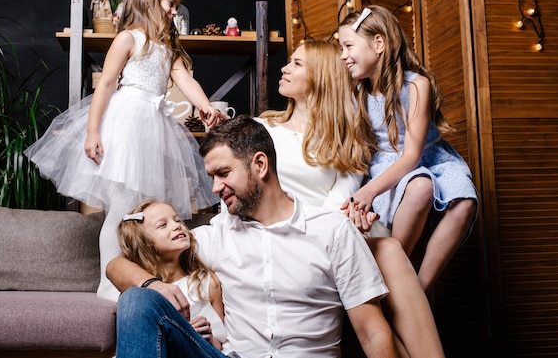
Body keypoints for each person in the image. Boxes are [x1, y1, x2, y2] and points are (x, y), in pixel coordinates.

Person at [109, 116, 400, 358]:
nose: (215, 187)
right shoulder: (217, 236)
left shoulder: (332, 230)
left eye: (223, 173)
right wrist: (152, 285)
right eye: (212, 177)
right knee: (137, 300)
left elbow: (372, 332)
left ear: (260, 165)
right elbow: (117, 266)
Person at [24, 0, 220, 301]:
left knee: (145, 211)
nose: (174, 12)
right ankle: (107, 281)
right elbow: (105, 86)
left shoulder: (166, 47)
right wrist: (92, 131)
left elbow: (185, 79)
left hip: (154, 129)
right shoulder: (129, 38)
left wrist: (205, 105)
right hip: (126, 124)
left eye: (176, 7)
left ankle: (141, 280)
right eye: (170, 4)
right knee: (120, 211)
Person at [258, 39, 444, 357]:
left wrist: (353, 217)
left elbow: (341, 202)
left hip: (336, 231)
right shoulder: (261, 129)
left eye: (297, 64)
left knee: (386, 246)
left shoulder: (348, 139)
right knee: (383, 247)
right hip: (285, 234)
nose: (285, 69)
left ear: (323, 75)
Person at [338, 5, 478, 292]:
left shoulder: (417, 85)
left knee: (465, 202)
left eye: (349, 45)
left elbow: (413, 155)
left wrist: (369, 191)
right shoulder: (357, 94)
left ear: (378, 44)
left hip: (428, 158)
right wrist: (364, 186)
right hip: (389, 165)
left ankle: (418, 291)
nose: (343, 55)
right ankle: (395, 276)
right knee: (420, 187)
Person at [117, 201, 225, 350]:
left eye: (177, 220)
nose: (177, 226)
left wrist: (208, 337)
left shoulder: (205, 282)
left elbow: (220, 346)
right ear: (144, 242)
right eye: (163, 225)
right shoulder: (141, 290)